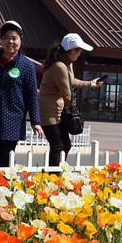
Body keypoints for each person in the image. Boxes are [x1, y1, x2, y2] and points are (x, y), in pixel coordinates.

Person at [0, 21, 44, 168]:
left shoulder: (26, 65)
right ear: (1, 40)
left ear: (20, 40)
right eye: (6, 38)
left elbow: (32, 95)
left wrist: (35, 121)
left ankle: (5, 185)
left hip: (13, 117)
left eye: (14, 38)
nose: (10, 41)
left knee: (6, 154)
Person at [39, 33, 104, 167]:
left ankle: (58, 173)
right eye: (79, 50)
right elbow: (66, 92)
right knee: (57, 146)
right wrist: (74, 112)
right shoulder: (59, 66)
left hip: (58, 111)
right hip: (49, 112)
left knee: (65, 144)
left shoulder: (67, 64)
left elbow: (71, 81)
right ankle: (53, 177)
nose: (80, 54)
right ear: (72, 50)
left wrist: (91, 83)